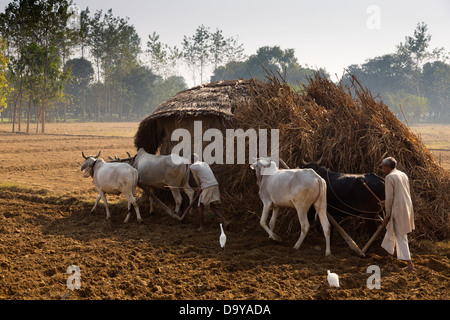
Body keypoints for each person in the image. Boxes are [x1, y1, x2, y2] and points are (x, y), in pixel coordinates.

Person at [379, 157, 415, 272]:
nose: (383, 169)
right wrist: (386, 203)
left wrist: (387, 215)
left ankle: (410, 265)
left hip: (398, 209)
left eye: (383, 167)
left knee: (401, 235)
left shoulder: (389, 177)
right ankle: (390, 255)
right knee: (391, 230)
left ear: (388, 167)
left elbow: (389, 198)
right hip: (406, 206)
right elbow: (402, 192)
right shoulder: (402, 174)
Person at [189, 153, 229, 231]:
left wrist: (199, 187)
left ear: (191, 160)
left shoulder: (192, 166)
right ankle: (225, 221)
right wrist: (201, 187)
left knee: (200, 206)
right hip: (214, 184)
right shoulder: (204, 164)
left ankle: (201, 227)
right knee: (212, 207)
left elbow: (197, 179)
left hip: (208, 187)